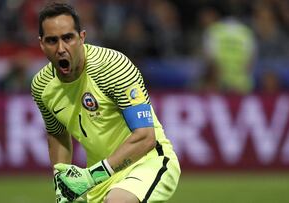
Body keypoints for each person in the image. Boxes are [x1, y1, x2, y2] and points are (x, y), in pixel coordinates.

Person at [31, 2, 180, 203]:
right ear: (41, 44)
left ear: (82, 37)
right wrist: (61, 179)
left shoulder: (112, 67)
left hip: (148, 161)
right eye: (52, 41)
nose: (61, 48)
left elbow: (145, 137)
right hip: (101, 176)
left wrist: (91, 176)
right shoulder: (42, 86)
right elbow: (57, 132)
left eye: (68, 38)